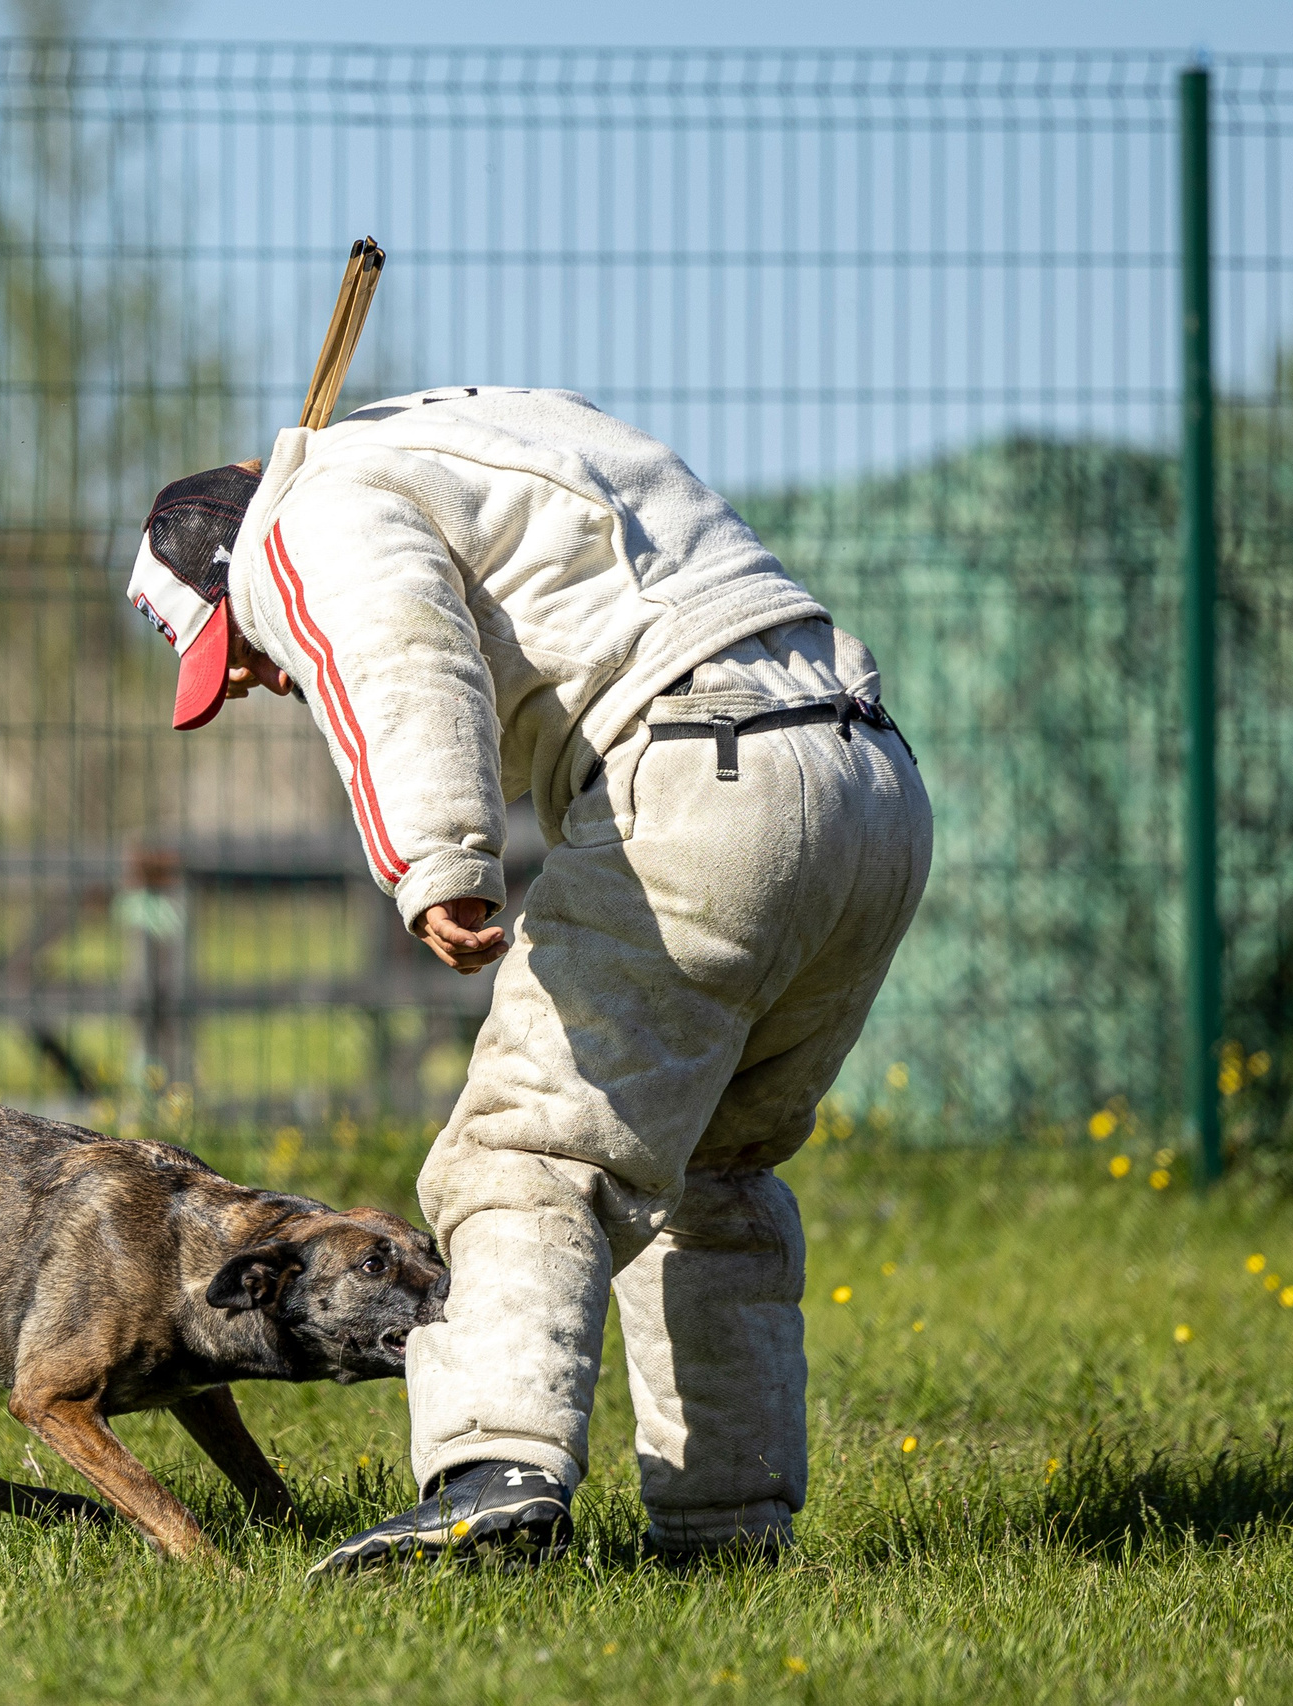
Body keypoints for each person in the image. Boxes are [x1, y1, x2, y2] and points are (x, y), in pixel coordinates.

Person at [124, 386, 931, 1571]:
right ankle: (727, 1525)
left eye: (232, 650)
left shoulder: (309, 517)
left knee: (519, 1150)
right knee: (710, 1168)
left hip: (707, 775)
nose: (252, 678)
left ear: (231, 571)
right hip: (866, 775)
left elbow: (400, 644)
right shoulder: (473, 431)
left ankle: (491, 1474)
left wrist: (435, 854)